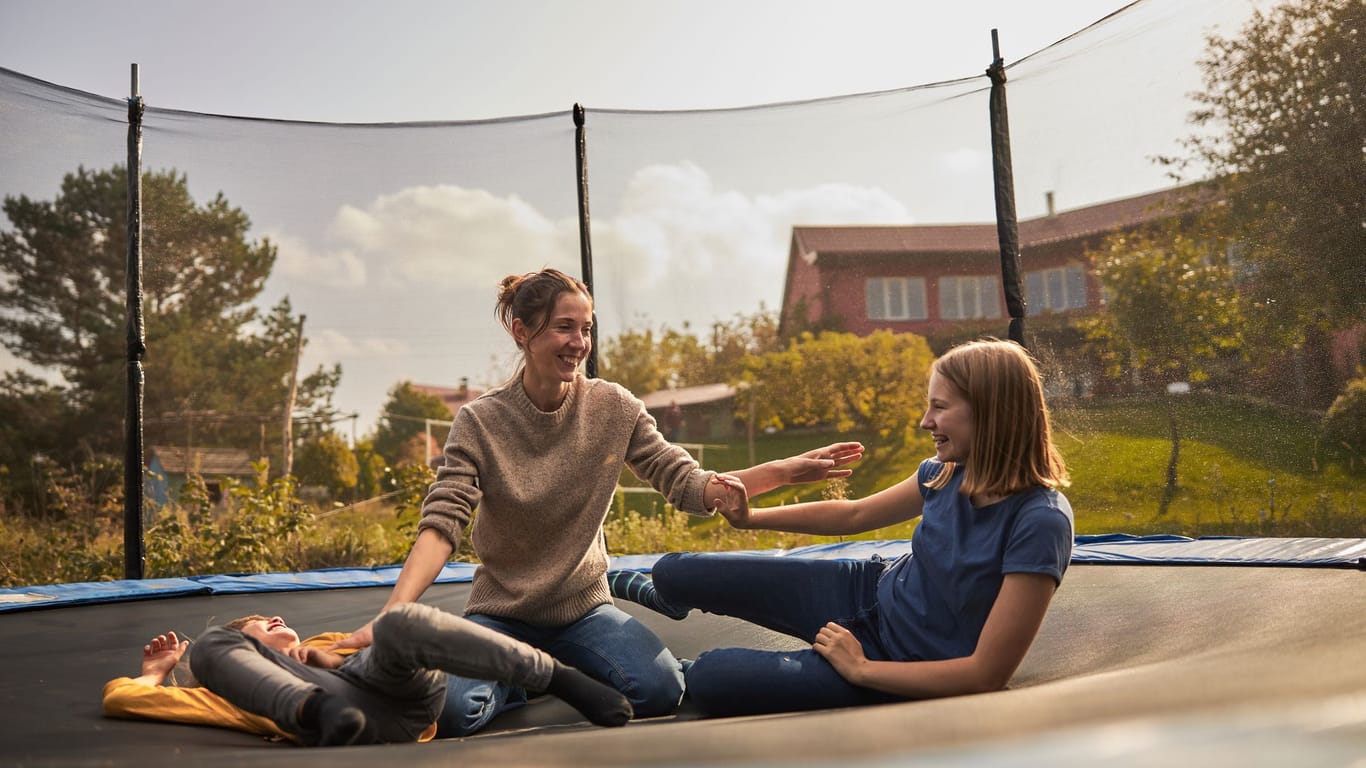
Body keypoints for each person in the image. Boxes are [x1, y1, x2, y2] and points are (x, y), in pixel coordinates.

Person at [330, 267, 864, 735]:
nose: (579, 342)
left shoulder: (613, 407)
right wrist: (394, 613)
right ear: (522, 331)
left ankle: (546, 664)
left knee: (658, 692)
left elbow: (686, 482)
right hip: (502, 614)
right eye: (564, 327)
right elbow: (443, 523)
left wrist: (785, 469)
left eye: (586, 329)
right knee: (451, 713)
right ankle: (528, 675)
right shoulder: (480, 421)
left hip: (583, 608)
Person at [614, 338, 1074, 717]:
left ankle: (688, 668)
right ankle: (668, 600)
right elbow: (853, 515)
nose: (924, 421)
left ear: (990, 413)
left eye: (939, 407)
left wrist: (861, 670)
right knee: (675, 571)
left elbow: (985, 675)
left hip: (892, 660)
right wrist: (750, 518)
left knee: (709, 678)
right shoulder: (944, 472)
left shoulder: (1040, 521)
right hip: (864, 590)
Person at [104, 604, 632, 747]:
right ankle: (318, 708)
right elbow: (122, 700)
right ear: (252, 647)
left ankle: (559, 676)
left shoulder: (324, 641)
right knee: (211, 642)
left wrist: (330, 660)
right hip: (330, 714)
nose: (277, 620)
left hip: (398, 694)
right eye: (263, 624)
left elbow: (397, 647)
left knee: (398, 621)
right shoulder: (228, 687)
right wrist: (154, 673)